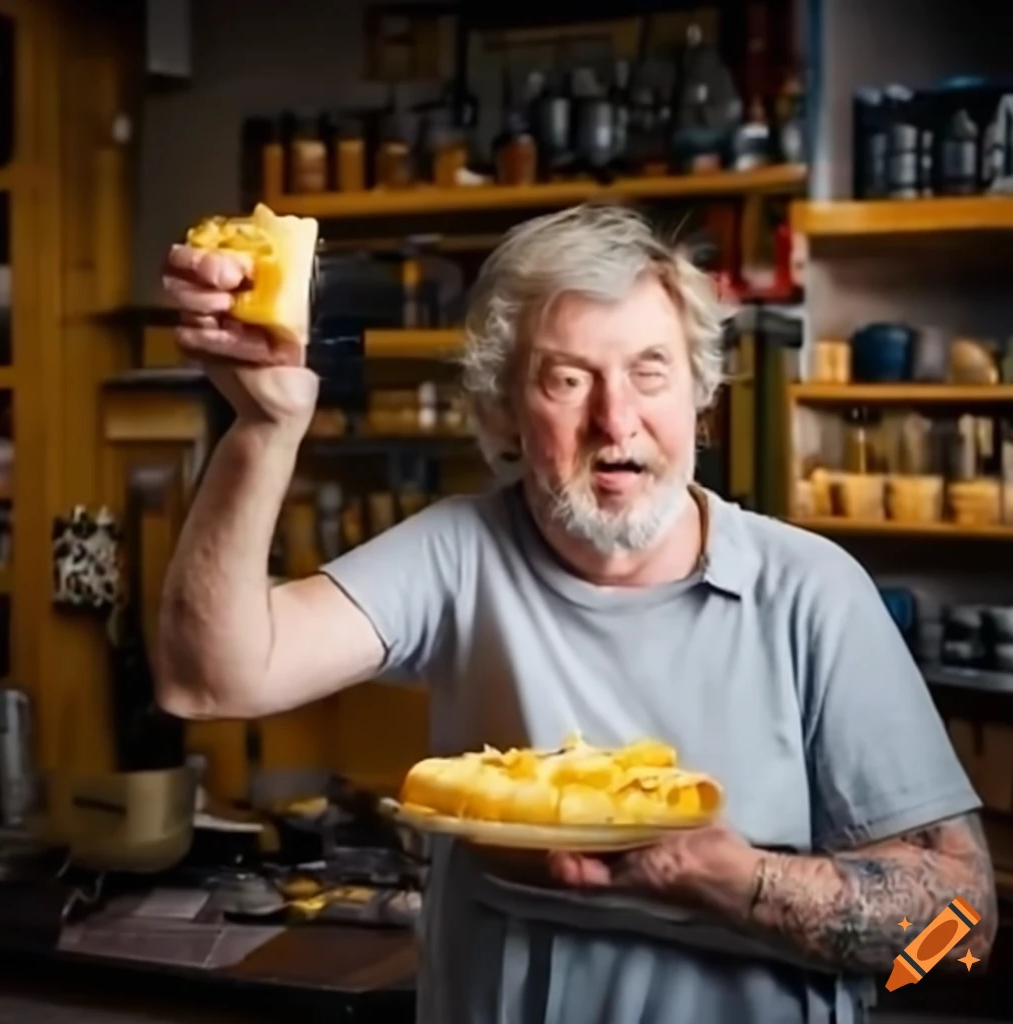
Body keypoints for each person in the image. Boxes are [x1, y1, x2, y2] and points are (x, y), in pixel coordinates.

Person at [156, 203, 997, 1024]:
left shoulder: (815, 593)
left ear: (700, 400)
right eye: (567, 379)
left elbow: (965, 935)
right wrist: (265, 427)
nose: (616, 419)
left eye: (650, 372)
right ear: (505, 413)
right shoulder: (458, 554)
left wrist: (733, 882)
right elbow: (208, 679)